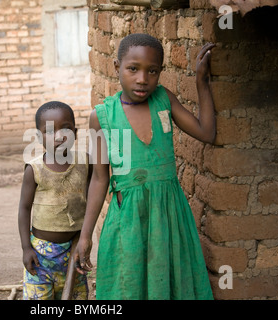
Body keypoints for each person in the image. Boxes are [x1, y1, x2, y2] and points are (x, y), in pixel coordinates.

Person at [74, 33, 216, 300]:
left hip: (169, 214)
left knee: (171, 284)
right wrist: (85, 236)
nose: (142, 79)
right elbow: (98, 179)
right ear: (117, 68)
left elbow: (206, 132)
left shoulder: (164, 100)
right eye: (132, 69)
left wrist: (202, 82)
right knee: (128, 286)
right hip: (128, 218)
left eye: (152, 71)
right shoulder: (101, 116)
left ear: (160, 72)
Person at [18, 101, 92, 300]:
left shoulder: (85, 163)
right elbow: (24, 209)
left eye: (66, 129)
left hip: (74, 252)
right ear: (38, 137)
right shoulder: (34, 169)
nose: (59, 136)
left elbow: (93, 195)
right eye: (49, 131)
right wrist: (26, 248)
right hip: (40, 256)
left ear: (75, 133)